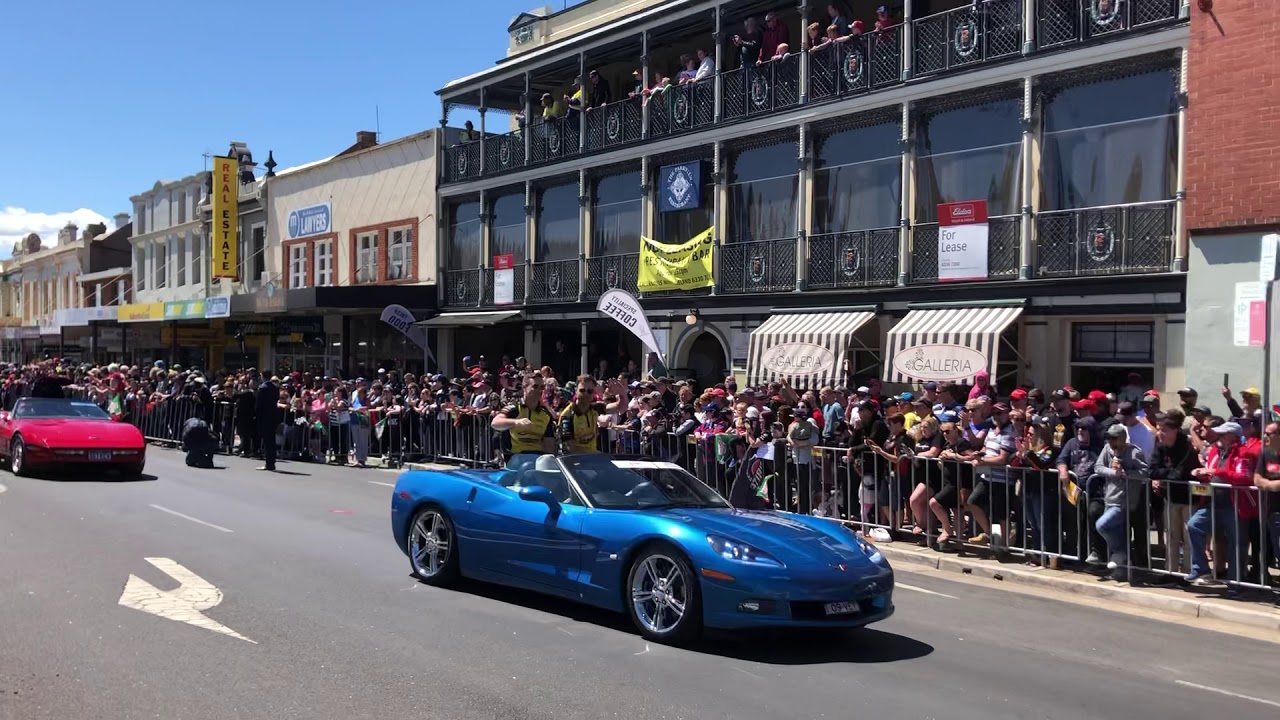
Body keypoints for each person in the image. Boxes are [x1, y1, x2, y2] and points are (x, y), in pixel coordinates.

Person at [492, 374, 557, 459]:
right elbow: (495, 423)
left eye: (542, 387)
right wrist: (516, 422)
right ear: (524, 387)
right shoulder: (514, 407)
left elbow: (550, 447)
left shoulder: (545, 415)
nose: (539, 390)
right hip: (516, 458)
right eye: (535, 386)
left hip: (537, 459)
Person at [255, 371, 281, 472]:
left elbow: (259, 405)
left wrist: (257, 415)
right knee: (271, 441)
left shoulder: (262, 388)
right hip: (273, 416)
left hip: (264, 417)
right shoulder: (275, 388)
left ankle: (268, 463)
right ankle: (271, 462)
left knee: (267, 441)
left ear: (262, 376)